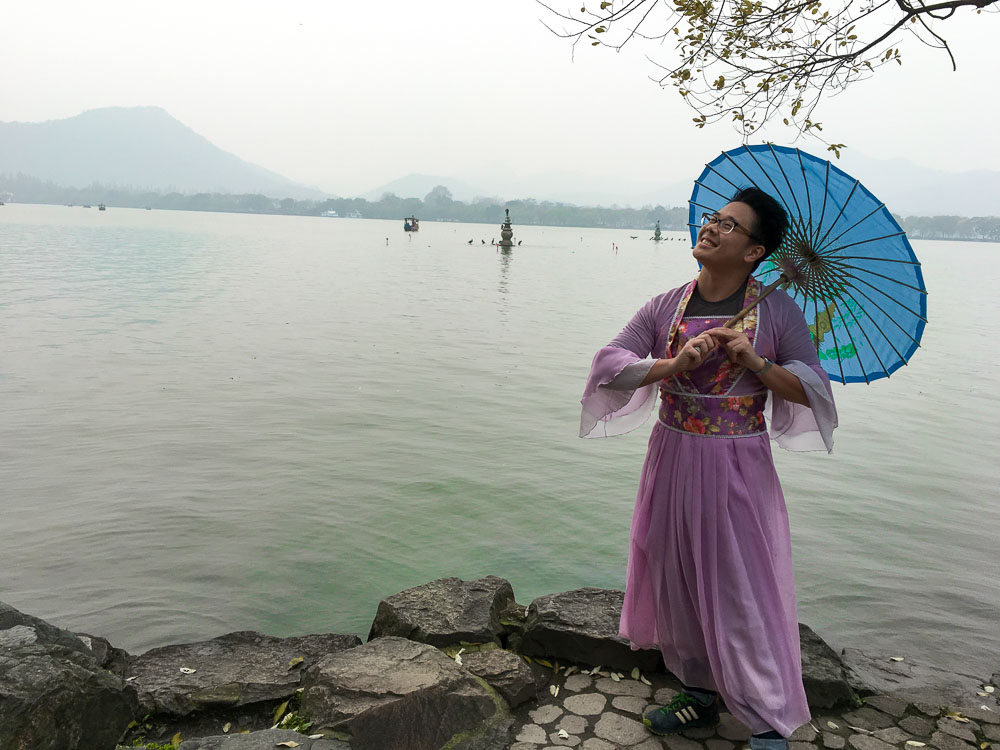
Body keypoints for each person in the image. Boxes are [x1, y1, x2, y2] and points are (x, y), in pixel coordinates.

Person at [580, 187, 837, 750]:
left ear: (754, 252)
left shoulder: (776, 311)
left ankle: (769, 719)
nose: (712, 228)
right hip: (670, 454)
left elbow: (814, 391)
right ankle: (698, 691)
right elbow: (609, 363)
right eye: (713, 219)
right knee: (675, 573)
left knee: (741, 585)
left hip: (736, 461)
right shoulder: (666, 305)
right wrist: (671, 363)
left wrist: (756, 361)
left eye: (730, 225)